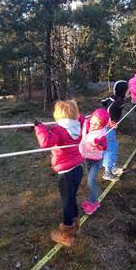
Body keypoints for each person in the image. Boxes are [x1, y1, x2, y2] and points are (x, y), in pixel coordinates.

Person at [34, 100, 83, 247]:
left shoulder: (58, 130)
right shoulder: (78, 125)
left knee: (66, 201)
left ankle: (66, 234)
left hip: (66, 172)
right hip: (78, 169)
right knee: (72, 196)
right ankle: (75, 222)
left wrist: (40, 128)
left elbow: (45, 143)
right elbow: (80, 117)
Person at [79, 108, 109, 215]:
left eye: (97, 123)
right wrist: (79, 118)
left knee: (90, 182)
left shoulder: (101, 134)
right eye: (93, 121)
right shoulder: (87, 124)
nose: (93, 124)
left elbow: (104, 146)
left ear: (101, 125)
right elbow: (82, 121)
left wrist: (100, 144)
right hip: (87, 158)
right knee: (91, 182)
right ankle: (93, 200)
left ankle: (93, 203)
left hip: (96, 161)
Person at [101, 80, 129, 181]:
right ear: (123, 91)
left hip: (107, 126)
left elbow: (104, 102)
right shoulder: (120, 101)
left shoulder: (113, 98)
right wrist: (111, 121)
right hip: (108, 127)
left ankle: (112, 167)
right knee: (111, 148)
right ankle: (107, 173)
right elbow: (112, 109)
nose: (129, 92)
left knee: (113, 146)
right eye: (127, 90)